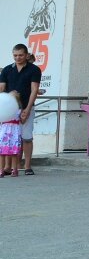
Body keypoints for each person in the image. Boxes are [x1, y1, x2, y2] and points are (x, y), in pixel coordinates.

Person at [0, 44, 42, 175]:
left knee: (26, 137)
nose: (18, 58)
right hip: (9, 109)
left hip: (26, 106)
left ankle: (28, 166)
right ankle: (10, 167)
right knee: (8, 137)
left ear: (26, 55)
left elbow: (34, 89)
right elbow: (2, 89)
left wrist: (28, 109)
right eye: (15, 55)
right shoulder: (7, 70)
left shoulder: (34, 70)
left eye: (20, 55)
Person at [0, 92, 23, 177]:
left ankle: (14, 169)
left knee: (14, 152)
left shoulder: (18, 111)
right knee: (2, 152)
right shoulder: (4, 109)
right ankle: (1, 170)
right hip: (4, 131)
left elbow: (22, 120)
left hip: (13, 132)